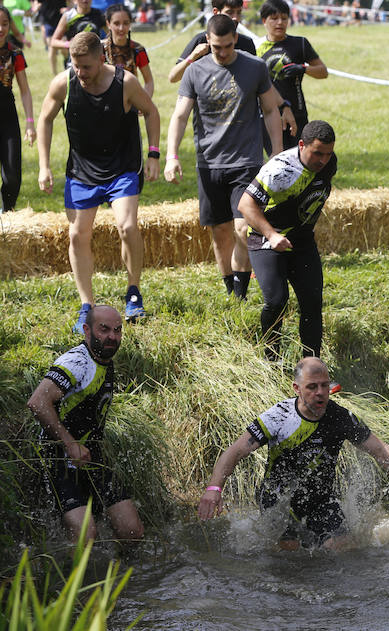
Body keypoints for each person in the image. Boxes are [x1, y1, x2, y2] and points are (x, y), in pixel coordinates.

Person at [198, 357, 389, 550]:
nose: (319, 393)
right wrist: (214, 489)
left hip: (320, 498)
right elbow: (235, 452)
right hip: (278, 499)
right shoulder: (279, 417)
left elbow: (380, 451)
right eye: (312, 387)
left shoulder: (341, 418)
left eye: (324, 386)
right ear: (297, 388)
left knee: (344, 547)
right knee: (291, 553)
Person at [37, 31, 160, 331]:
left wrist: (154, 153)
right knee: (78, 234)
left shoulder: (125, 83)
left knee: (127, 225)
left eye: (86, 67)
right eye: (75, 66)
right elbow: (45, 119)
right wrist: (43, 166)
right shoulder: (64, 83)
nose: (80, 73)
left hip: (122, 166)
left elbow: (152, 112)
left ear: (101, 58)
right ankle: (86, 305)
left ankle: (133, 292)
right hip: (82, 170)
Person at [164, 14, 283, 300]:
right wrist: (171, 155)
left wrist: (277, 153)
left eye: (228, 46)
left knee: (243, 227)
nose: (223, 52)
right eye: (217, 47)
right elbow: (180, 116)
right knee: (220, 232)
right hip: (209, 162)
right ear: (208, 41)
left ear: (235, 40)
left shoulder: (254, 67)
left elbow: (270, 110)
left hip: (246, 161)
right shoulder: (194, 71)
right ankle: (230, 289)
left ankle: (241, 293)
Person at [26, 305, 145, 543]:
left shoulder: (103, 357)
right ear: (86, 330)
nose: (112, 336)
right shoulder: (76, 361)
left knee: (132, 531)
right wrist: (69, 445)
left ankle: (125, 579)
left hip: (92, 455)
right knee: (85, 535)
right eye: (104, 330)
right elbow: (37, 402)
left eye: (118, 330)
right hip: (58, 456)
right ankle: (73, 577)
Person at [236, 120, 336, 361]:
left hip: (301, 241)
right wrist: (271, 234)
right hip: (266, 240)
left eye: (328, 153)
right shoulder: (279, 170)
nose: (323, 160)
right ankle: (272, 361)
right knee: (277, 301)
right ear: (301, 145)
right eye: (317, 153)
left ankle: (311, 365)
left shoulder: (329, 163)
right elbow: (245, 205)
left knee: (312, 303)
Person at [257, 0, 326, 151]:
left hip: (298, 112)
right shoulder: (256, 48)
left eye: (284, 18)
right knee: (276, 160)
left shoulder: (300, 43)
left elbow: (323, 72)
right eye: (274, 18)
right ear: (264, 21)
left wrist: (302, 68)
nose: (279, 23)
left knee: (299, 159)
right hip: (268, 113)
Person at [167, 0, 256, 84]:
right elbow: (173, 77)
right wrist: (193, 56)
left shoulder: (246, 43)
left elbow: (256, 78)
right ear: (216, 12)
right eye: (230, 12)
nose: (235, 18)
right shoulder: (201, 41)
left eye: (239, 12)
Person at [0, 5, 36, 213]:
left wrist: (30, 123)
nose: (1, 28)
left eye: (5, 24)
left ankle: (8, 212)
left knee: (12, 175)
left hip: (7, 114)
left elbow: (25, 90)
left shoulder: (15, 53)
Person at [102, 4, 153, 97]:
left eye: (125, 23)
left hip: (131, 102)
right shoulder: (99, 49)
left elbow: (149, 81)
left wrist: (145, 104)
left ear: (130, 24)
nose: (121, 28)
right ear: (108, 24)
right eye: (116, 23)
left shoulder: (138, 50)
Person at [49, 0, 106, 68]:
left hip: (95, 61)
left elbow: (111, 36)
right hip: (75, 62)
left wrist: (101, 43)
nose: (85, 0)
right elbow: (53, 42)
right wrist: (69, 44)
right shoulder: (69, 16)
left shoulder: (99, 14)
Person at [34, 0, 67, 74]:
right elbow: (37, 1)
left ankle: (67, 66)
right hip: (48, 21)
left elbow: (71, 2)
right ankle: (54, 74)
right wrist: (36, 7)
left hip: (61, 20)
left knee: (64, 50)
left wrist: (68, 9)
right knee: (52, 48)